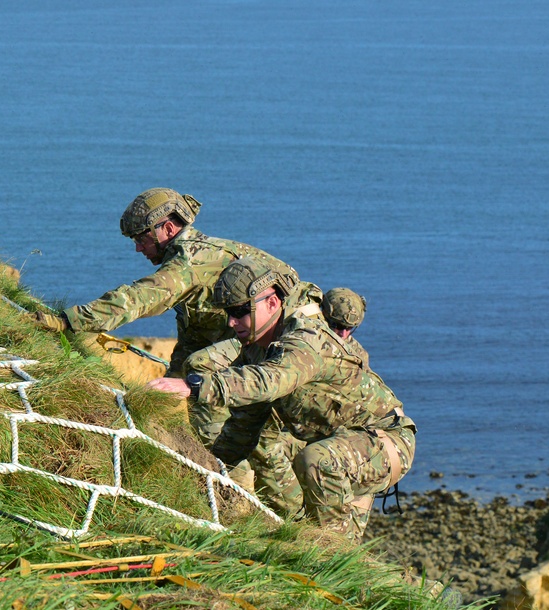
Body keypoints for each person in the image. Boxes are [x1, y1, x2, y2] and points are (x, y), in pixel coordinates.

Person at [31, 187, 303, 516]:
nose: (137, 248)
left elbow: (138, 299)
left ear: (167, 229)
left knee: (244, 434)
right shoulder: (199, 257)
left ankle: (248, 509)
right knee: (219, 411)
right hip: (247, 343)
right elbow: (197, 331)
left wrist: (67, 321)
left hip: (274, 350)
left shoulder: (189, 262)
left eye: (141, 238)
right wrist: (171, 383)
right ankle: (243, 501)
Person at [149, 259, 415, 541]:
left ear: (273, 303)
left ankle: (332, 553)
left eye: (240, 311)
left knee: (317, 462)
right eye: (228, 312)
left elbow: (270, 380)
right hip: (341, 445)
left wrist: (194, 385)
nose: (231, 322)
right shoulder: (256, 351)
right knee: (275, 451)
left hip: (387, 441)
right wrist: (206, 473)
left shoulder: (305, 341)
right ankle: (318, 547)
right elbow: (245, 427)